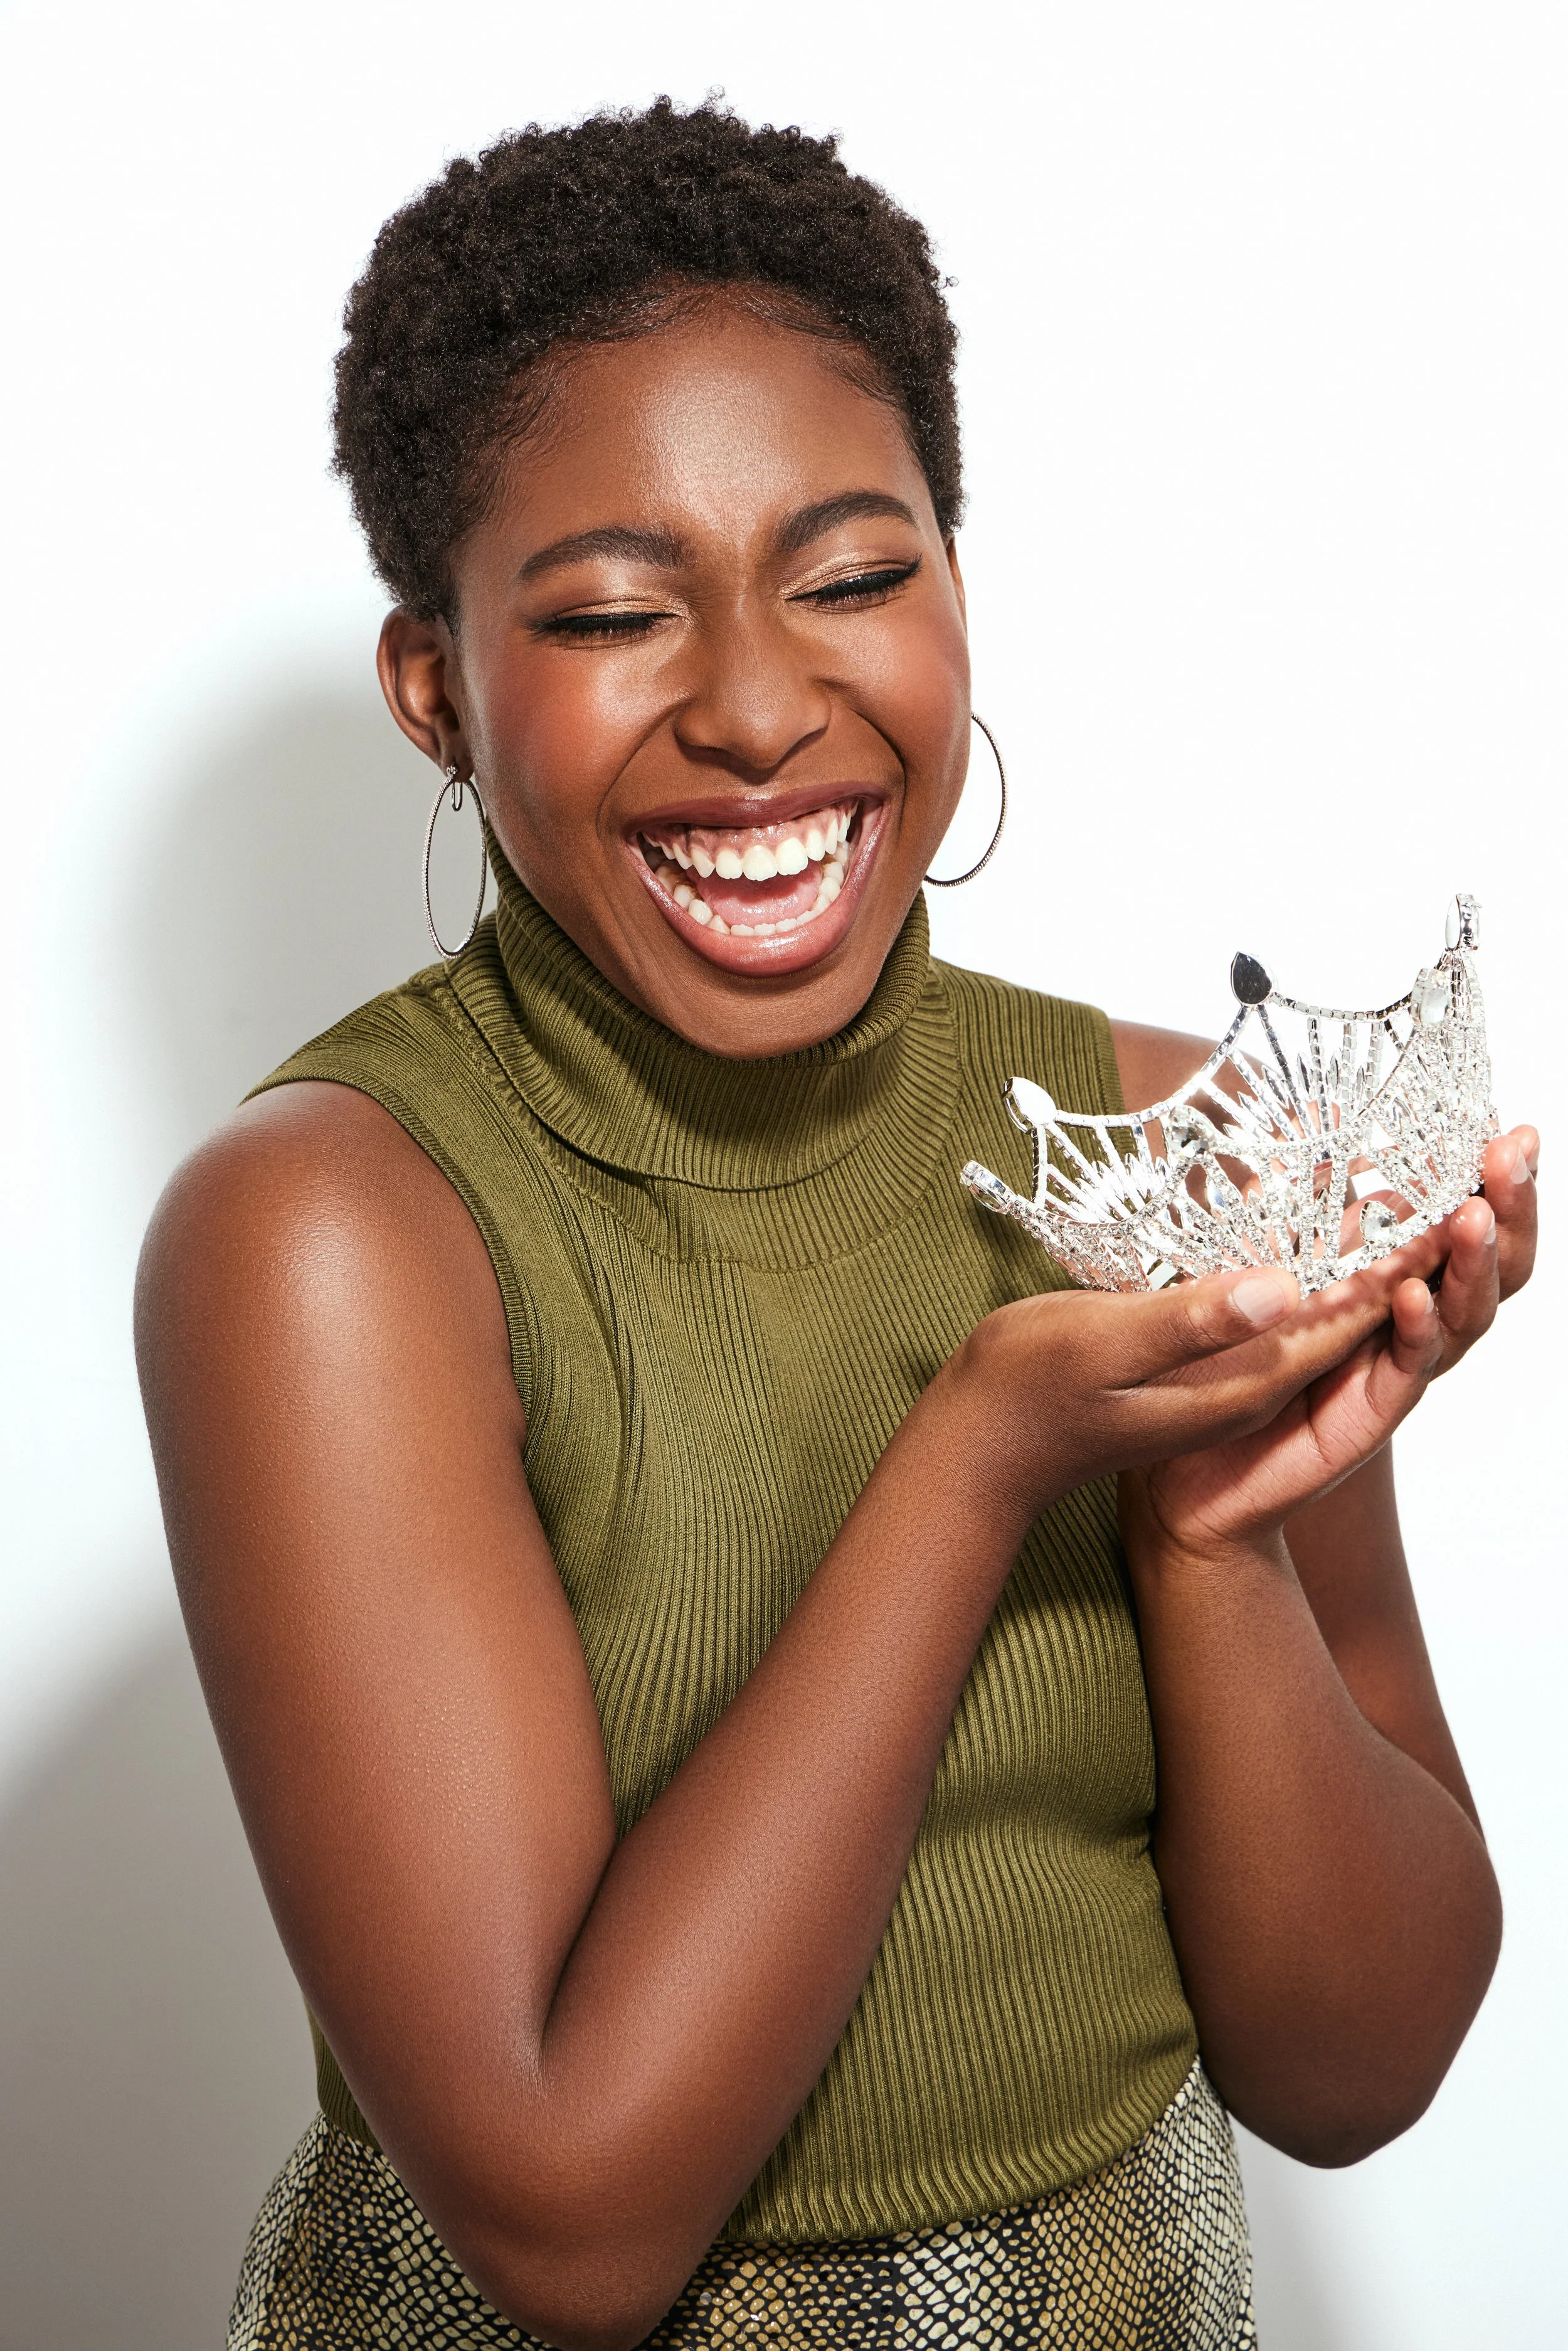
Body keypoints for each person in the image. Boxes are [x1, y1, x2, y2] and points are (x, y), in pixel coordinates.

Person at [134, 100, 1537, 2351]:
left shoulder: (1168, 1140)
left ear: (957, 584)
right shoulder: (335, 1232)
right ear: (435, 690)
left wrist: (1206, 1511)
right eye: (609, 611)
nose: (766, 708)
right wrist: (987, 1452)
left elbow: (1355, 2067)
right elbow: (570, 2222)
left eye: (856, 573)